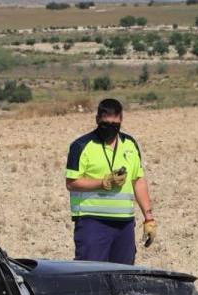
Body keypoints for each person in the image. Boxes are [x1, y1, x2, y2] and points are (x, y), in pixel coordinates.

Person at [64, 98, 157, 264]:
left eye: (115, 125)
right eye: (106, 124)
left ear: (121, 120)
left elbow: (138, 180)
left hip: (124, 226)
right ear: (97, 120)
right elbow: (71, 183)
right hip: (92, 223)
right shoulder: (81, 146)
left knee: (123, 277)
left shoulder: (130, 145)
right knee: (91, 276)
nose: (110, 129)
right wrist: (102, 183)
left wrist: (149, 218)